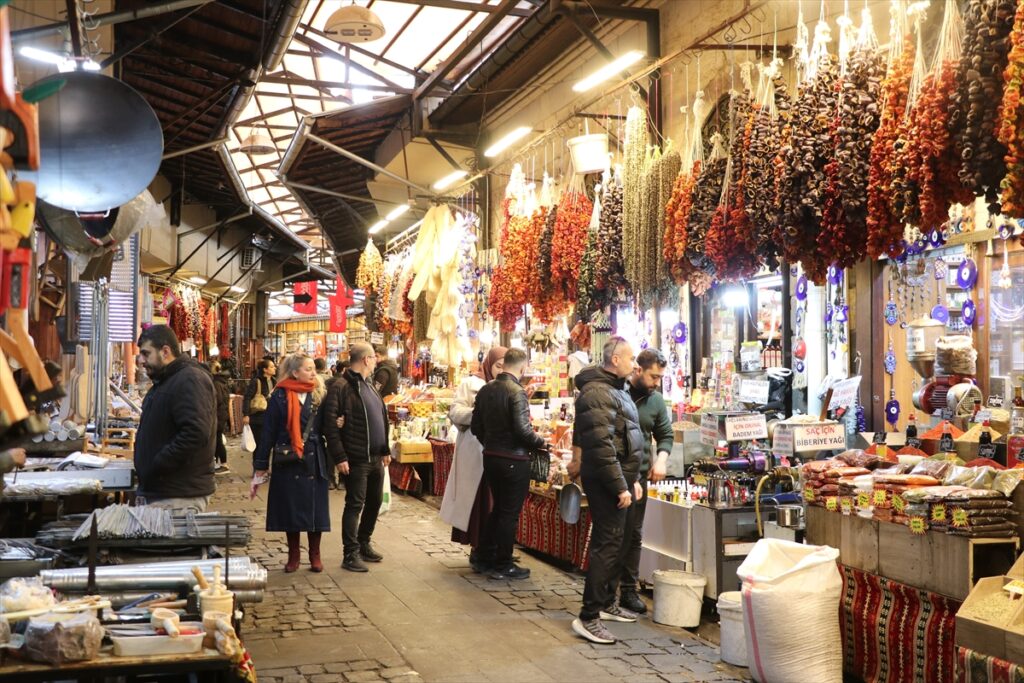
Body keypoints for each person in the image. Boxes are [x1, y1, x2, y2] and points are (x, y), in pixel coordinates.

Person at [570, 336, 644, 644]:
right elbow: (601, 447)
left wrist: (633, 479)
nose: (635, 364)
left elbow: (626, 438)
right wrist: (619, 485)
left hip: (623, 480)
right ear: (615, 360)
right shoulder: (598, 392)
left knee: (621, 541)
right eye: (630, 358)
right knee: (607, 544)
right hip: (606, 482)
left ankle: (608, 603)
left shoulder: (618, 389)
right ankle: (589, 616)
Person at [471, 347, 547, 581]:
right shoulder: (517, 392)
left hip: (491, 457)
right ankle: (503, 564)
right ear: (523, 367)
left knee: (499, 509)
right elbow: (523, 430)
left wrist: (491, 444)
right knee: (509, 513)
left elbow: (476, 427)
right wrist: (541, 442)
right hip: (513, 459)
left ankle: (484, 556)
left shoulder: (486, 390)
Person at [252, 353, 330, 572]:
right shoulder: (279, 396)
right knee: (291, 508)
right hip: (288, 458)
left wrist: (340, 455)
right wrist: (260, 463)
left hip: (313, 457)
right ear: (295, 372)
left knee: (316, 509)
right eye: (307, 369)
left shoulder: (320, 394)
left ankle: (315, 554)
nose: (313, 373)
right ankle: (293, 554)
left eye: (314, 368)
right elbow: (268, 432)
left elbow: (328, 426)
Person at [323, 342, 390, 573]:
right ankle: (349, 553)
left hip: (375, 458)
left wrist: (386, 449)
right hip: (356, 457)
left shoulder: (370, 385)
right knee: (355, 504)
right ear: (366, 359)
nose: (375, 362)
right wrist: (340, 456)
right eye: (373, 358)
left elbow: (382, 417)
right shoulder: (341, 387)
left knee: (375, 502)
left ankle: (364, 542)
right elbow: (329, 425)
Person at [615, 348, 673, 615]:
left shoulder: (656, 400)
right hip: (614, 474)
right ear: (638, 370)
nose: (656, 382)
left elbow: (665, 434)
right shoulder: (618, 393)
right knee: (614, 532)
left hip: (639, 476)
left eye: (660, 377)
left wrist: (661, 460)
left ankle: (628, 589)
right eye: (653, 376)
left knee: (634, 533)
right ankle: (604, 590)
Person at [134, 325, 217, 512]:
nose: (141, 361)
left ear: (165, 352)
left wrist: (159, 463)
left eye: (146, 354)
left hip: (178, 495)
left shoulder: (189, 379)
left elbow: (195, 432)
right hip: (167, 491)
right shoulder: (167, 380)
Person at [440, 346, 507, 572]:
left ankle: (496, 549)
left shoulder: (509, 386)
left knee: (497, 504)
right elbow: (455, 412)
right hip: (475, 454)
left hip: (499, 454)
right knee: (479, 504)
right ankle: (479, 550)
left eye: (505, 366)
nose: (501, 370)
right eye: (498, 365)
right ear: (489, 364)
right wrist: (479, 414)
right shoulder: (471, 384)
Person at [243, 359, 277, 455]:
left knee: (269, 444)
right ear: (265, 370)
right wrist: (246, 414)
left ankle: (265, 467)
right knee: (259, 445)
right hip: (258, 417)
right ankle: (257, 468)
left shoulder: (275, 382)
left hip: (271, 417)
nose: (274, 368)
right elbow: (247, 397)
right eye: (271, 366)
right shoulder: (256, 381)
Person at [210, 361, 232, 475]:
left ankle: (223, 464)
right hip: (221, 414)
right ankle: (218, 463)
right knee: (217, 439)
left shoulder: (216, 383)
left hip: (218, 415)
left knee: (217, 439)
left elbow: (217, 400)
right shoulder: (221, 381)